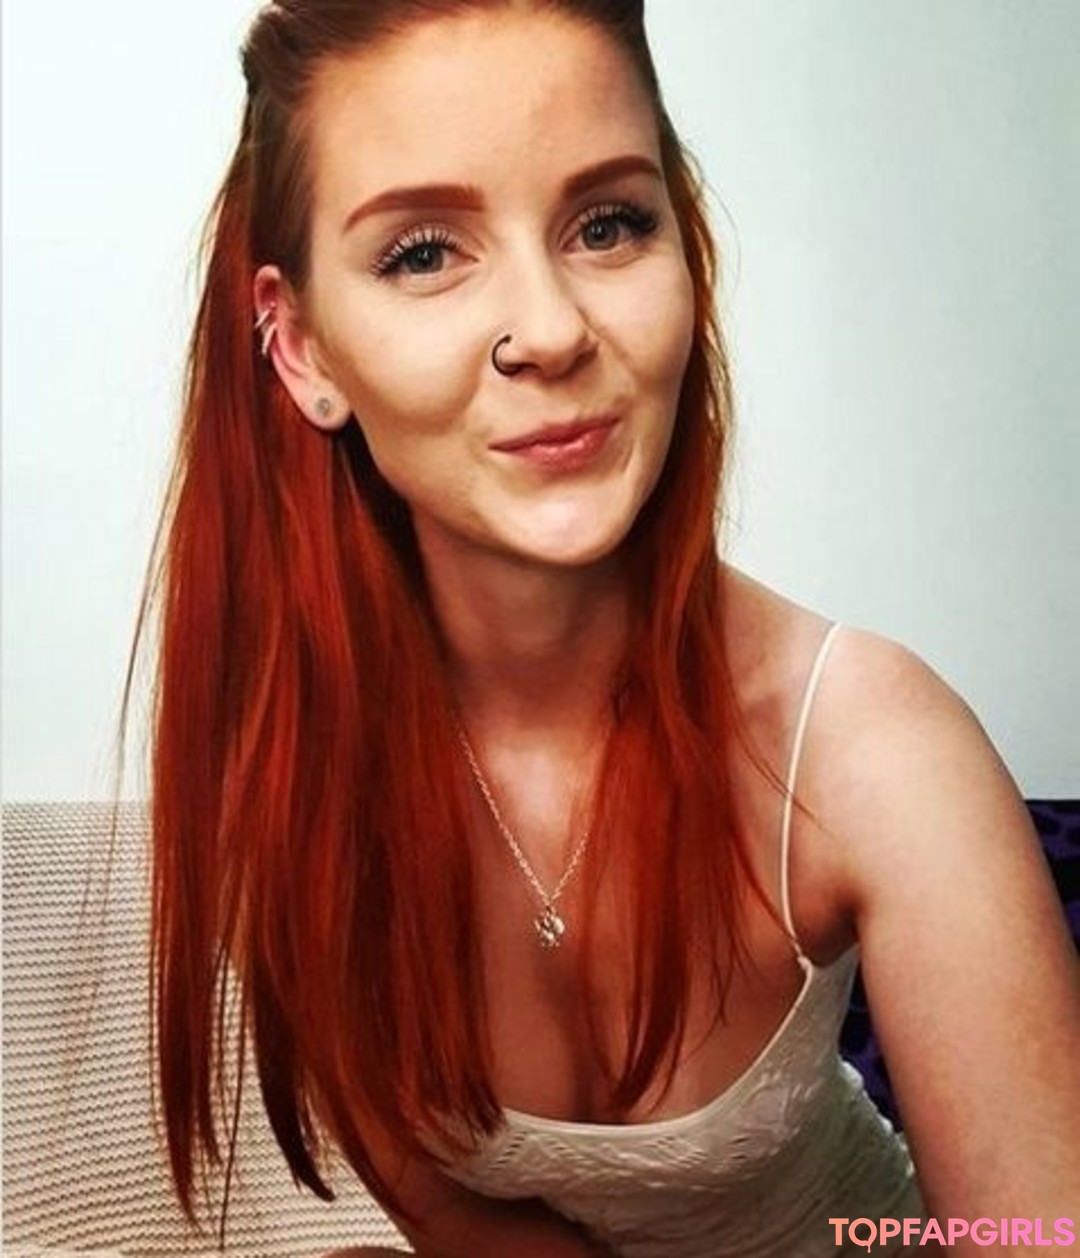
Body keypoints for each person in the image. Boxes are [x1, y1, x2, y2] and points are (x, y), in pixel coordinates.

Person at [144, 2, 1080, 1254]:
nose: (550, 330)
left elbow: (1033, 1234)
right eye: (423, 253)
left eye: (608, 224)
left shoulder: (871, 744)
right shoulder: (282, 750)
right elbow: (460, 1216)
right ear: (303, 347)